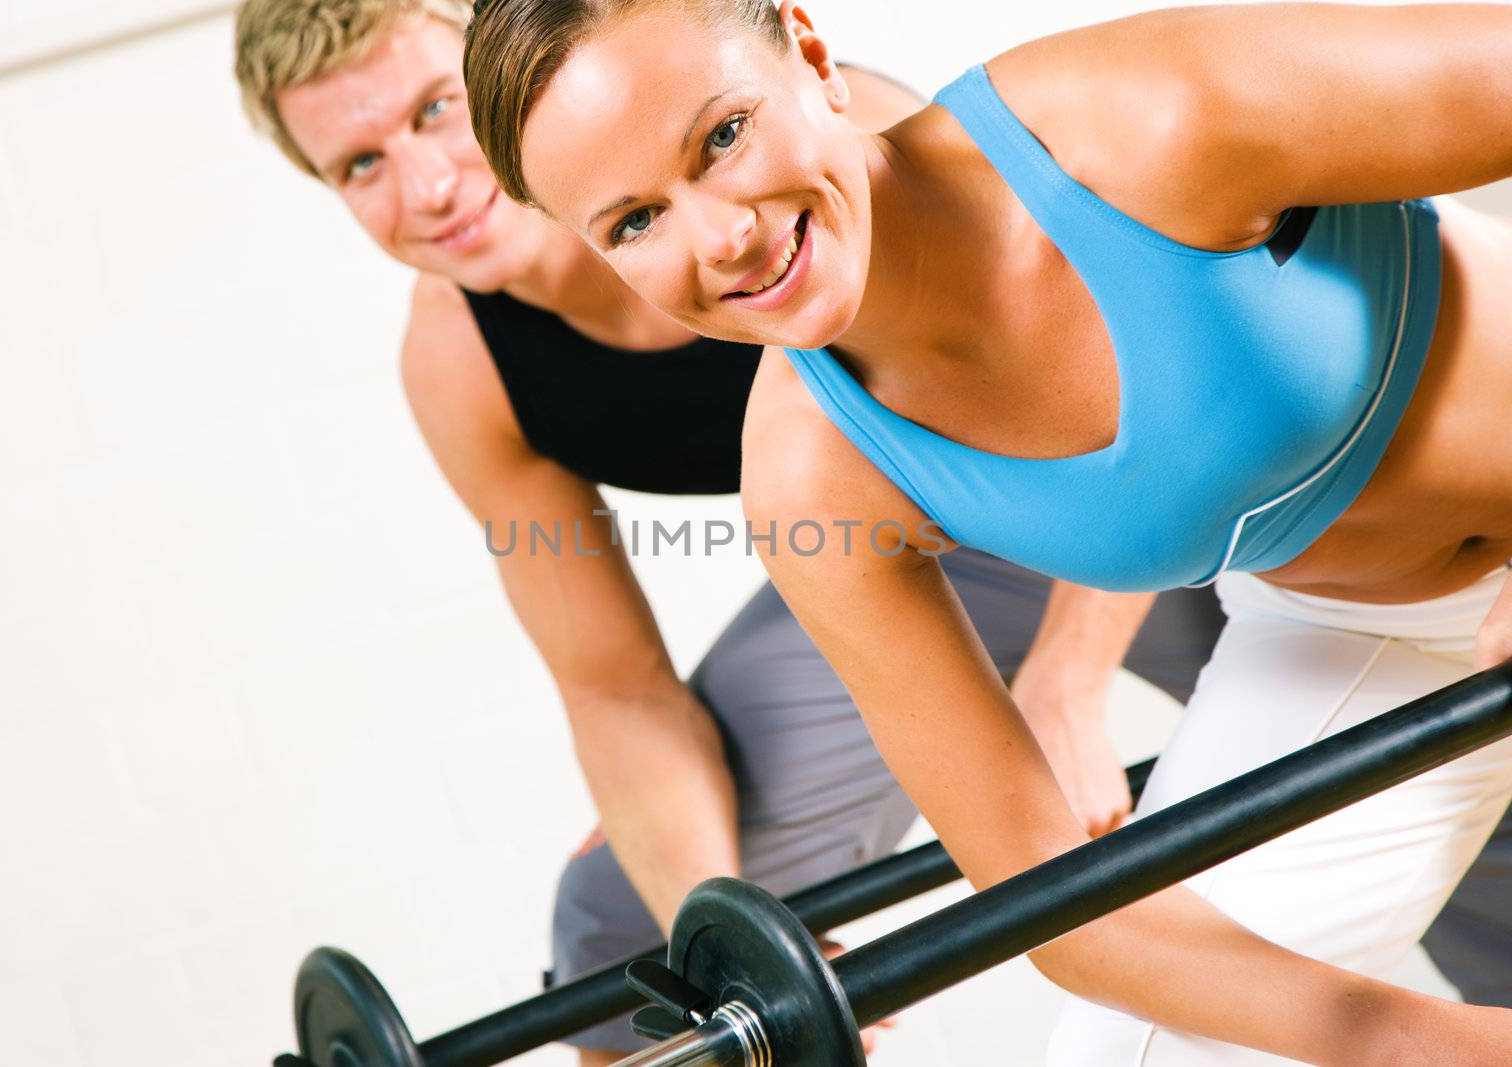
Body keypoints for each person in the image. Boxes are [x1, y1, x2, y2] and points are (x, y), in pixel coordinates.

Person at [462, 0, 1512, 1062]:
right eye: (633, 221)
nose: (720, 235)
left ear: (811, 54)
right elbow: (1062, 905)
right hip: (1357, 629)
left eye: (722, 135)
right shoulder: (812, 474)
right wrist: (1421, 1043)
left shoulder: (1129, 124)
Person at [232, 1, 1241, 1060]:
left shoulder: (817, 144)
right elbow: (612, 683)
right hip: (891, 563)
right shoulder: (459, 362)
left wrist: (1068, 684)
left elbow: (1133, 375)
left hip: (1118, 464)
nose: (428, 185)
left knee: (1401, 706)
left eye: (437, 109)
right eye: (358, 164)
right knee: (622, 930)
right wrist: (722, 924)